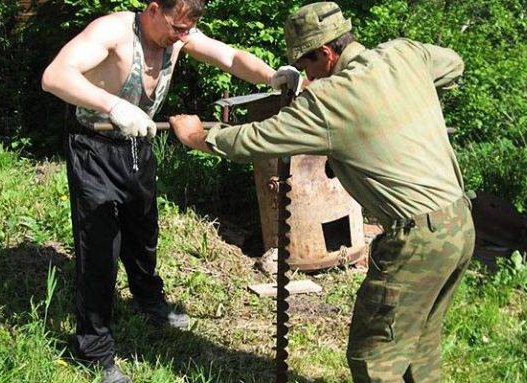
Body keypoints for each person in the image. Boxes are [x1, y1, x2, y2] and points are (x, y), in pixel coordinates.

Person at [168, 2, 475, 382]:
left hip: (418, 240)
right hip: (460, 224)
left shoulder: (331, 99)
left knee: (374, 357)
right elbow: (454, 64)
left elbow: (256, 139)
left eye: (307, 66)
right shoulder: (403, 54)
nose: (307, 76)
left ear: (326, 54)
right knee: (419, 346)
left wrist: (198, 135)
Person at [41, 0, 301, 381]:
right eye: (177, 27)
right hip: (94, 146)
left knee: (143, 231)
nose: (183, 37)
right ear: (153, 8)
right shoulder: (111, 32)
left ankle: (149, 301)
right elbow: (55, 75)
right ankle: (93, 349)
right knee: (99, 248)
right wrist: (112, 105)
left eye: (187, 30)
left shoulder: (179, 35)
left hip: (137, 145)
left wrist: (270, 75)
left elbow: (229, 57)